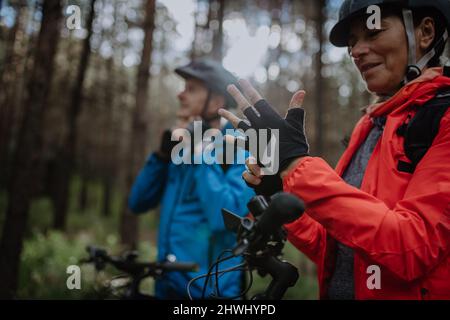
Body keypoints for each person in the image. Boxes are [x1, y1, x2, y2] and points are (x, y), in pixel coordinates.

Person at [219, 0, 450, 299]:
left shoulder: (443, 119)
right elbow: (333, 247)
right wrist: (279, 189)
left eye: (373, 33)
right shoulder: (367, 127)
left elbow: (411, 248)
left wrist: (295, 166)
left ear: (425, 32)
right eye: (352, 43)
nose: (356, 51)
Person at [128, 59, 254, 299]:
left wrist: (200, 153)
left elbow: (223, 218)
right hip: (167, 284)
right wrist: (161, 156)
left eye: (191, 89)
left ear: (216, 101)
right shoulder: (181, 148)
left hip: (210, 292)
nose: (180, 94)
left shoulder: (239, 150)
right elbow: (138, 202)